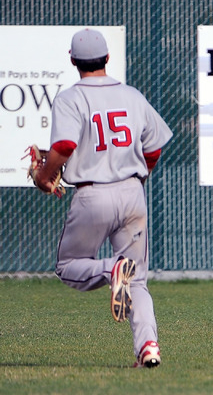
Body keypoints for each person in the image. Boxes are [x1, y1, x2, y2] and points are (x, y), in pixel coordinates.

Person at [34, 28, 173, 366]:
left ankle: (112, 269)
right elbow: (153, 147)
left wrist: (44, 174)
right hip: (132, 190)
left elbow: (65, 146)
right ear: (107, 58)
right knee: (136, 278)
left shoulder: (71, 98)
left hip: (93, 195)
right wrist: (138, 178)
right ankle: (148, 347)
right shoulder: (132, 95)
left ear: (72, 60)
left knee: (68, 267)